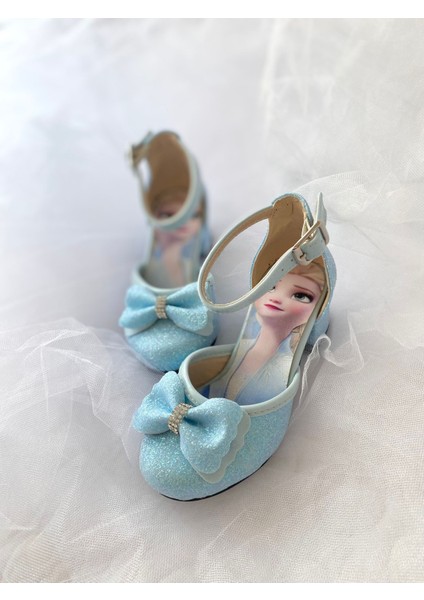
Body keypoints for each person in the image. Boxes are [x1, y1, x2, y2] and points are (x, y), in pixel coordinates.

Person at [209, 261, 326, 405]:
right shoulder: (244, 346)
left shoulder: (283, 364)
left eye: (300, 295)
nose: (276, 298)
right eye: (270, 287)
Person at [144, 188, 204, 288]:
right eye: (169, 215)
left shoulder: (191, 268)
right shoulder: (150, 270)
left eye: (193, 215)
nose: (185, 222)